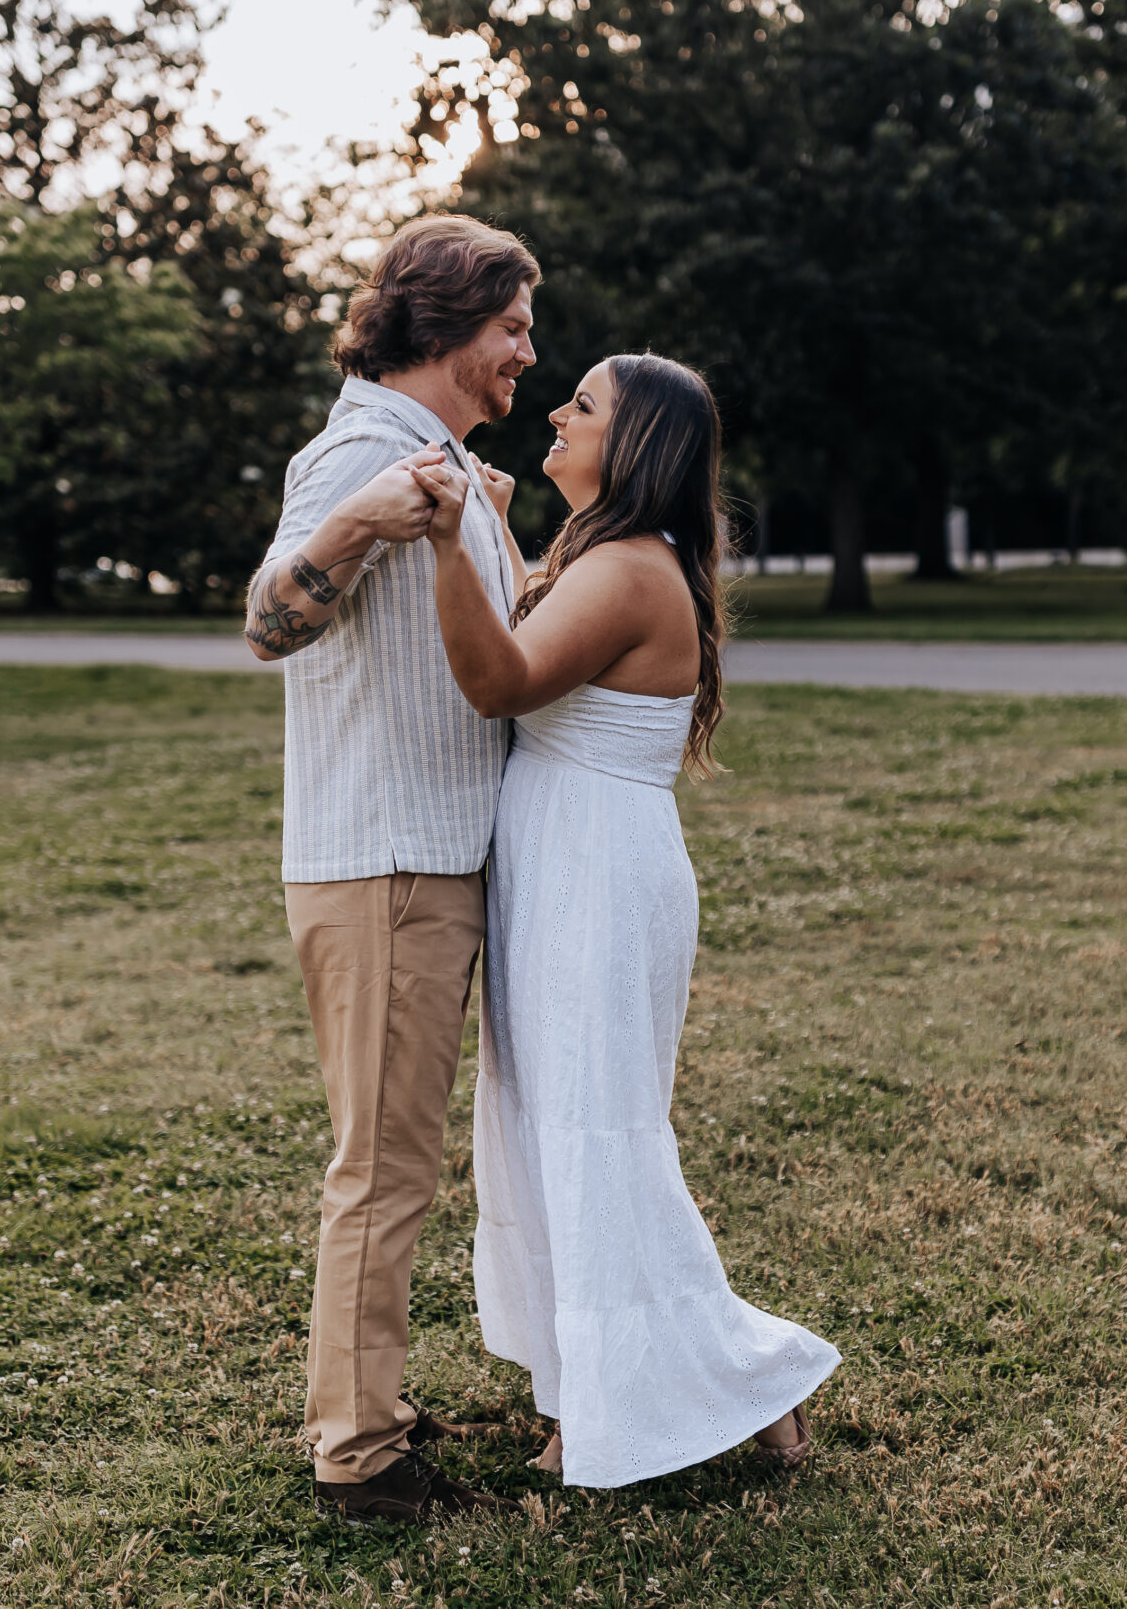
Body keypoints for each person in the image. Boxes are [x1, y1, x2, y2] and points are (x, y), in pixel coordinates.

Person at [407, 353, 840, 1489]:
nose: (556, 410)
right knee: (554, 1131)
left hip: (595, 871)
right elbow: (532, 619)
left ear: (635, 445)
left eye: (583, 405)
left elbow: (501, 678)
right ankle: (585, 1393)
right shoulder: (602, 557)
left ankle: (738, 1378)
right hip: (565, 859)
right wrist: (493, 534)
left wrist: (453, 536)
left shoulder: (634, 571)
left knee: (596, 1137)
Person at [242, 213, 537, 1524]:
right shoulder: (363, 450)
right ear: (449, 325)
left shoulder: (440, 456)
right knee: (383, 1167)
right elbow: (269, 619)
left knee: (398, 1158)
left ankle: (370, 1405)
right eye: (515, 325)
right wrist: (366, 516)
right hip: (390, 871)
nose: (531, 351)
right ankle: (359, 1451)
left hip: (428, 862)